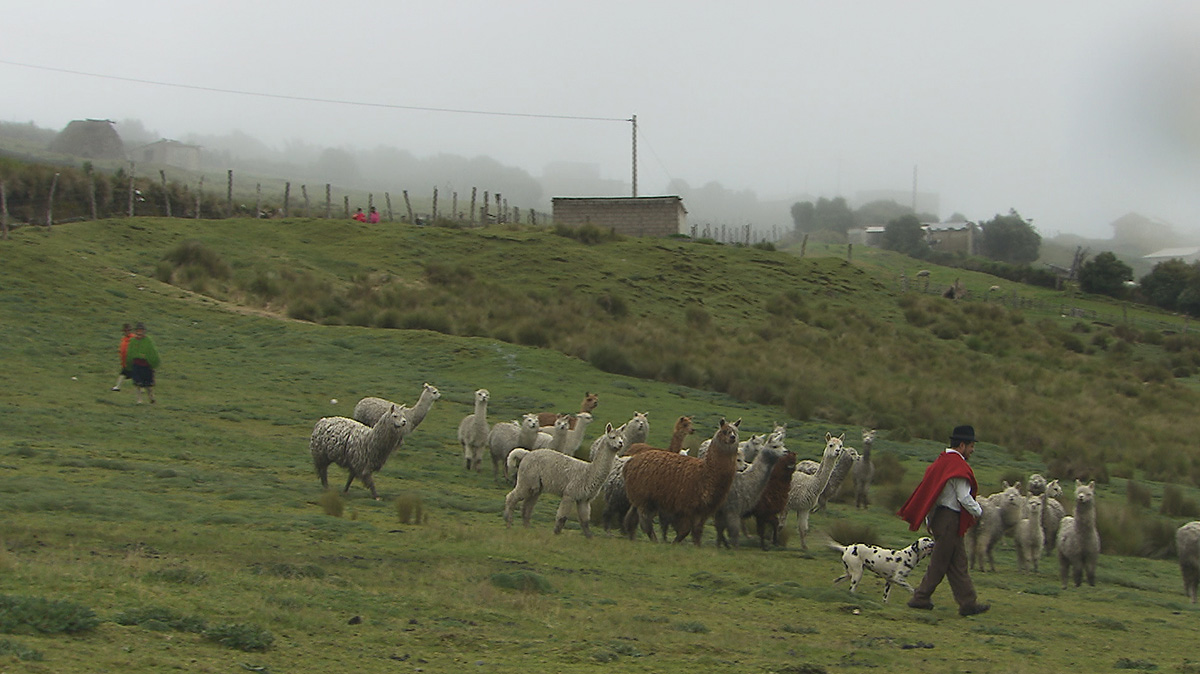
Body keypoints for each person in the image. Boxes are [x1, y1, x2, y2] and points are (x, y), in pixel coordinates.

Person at [897, 425, 989, 616]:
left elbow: (932, 495)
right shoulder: (958, 467)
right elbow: (964, 498)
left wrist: (930, 520)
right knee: (940, 563)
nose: (972, 450)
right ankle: (920, 597)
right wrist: (980, 511)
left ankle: (968, 602)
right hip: (950, 520)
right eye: (971, 446)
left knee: (958, 563)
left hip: (940, 518)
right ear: (962, 445)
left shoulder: (940, 462)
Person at [125, 322, 161, 404]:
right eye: (138, 330)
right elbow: (130, 353)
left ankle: (151, 398)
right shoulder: (133, 341)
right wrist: (129, 364)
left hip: (146, 366)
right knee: (137, 383)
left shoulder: (148, 341)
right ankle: (139, 399)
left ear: (144, 331)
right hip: (136, 365)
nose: (139, 332)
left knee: (148, 385)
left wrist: (152, 363)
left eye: (141, 330)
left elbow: (152, 353)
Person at [111, 323, 134, 391]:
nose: (126, 332)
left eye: (128, 330)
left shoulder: (133, 338)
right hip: (125, 361)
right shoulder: (124, 339)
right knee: (124, 373)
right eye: (125, 331)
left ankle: (117, 387)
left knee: (125, 373)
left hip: (131, 360)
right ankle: (117, 387)